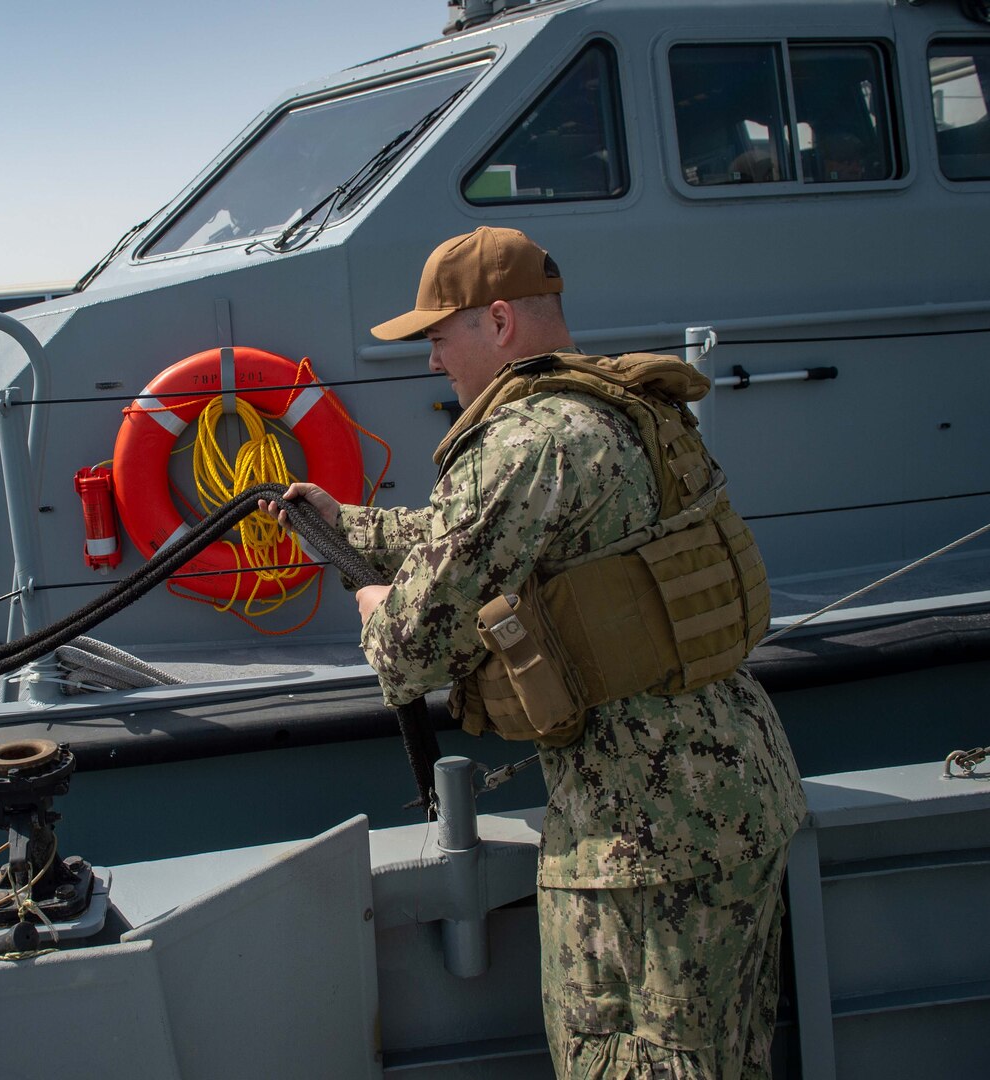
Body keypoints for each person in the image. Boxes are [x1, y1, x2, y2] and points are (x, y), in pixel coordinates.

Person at [266, 226, 805, 1078]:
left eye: (440, 338)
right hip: (741, 796)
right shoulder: (624, 408)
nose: (434, 362)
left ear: (501, 321)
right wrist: (348, 524)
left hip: (640, 845)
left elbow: (407, 648)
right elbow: (487, 539)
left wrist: (370, 596)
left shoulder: (520, 444)